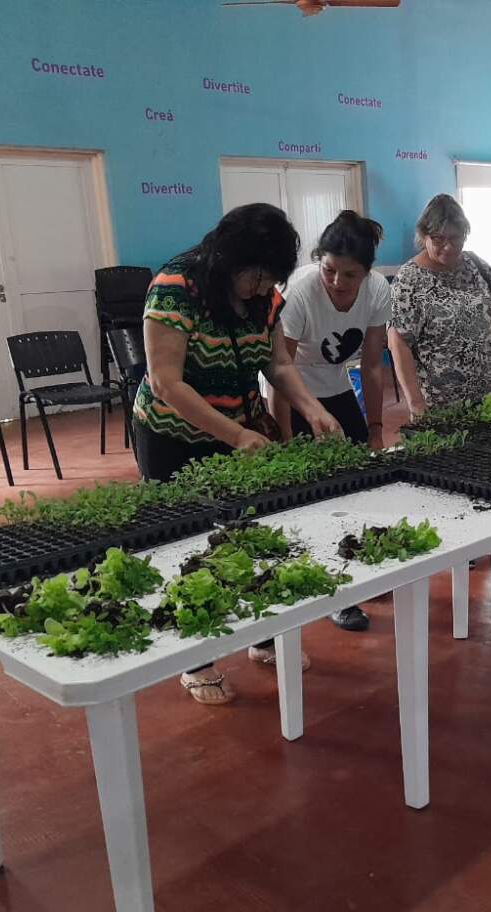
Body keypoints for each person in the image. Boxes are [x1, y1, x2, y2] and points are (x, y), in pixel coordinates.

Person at [134, 202, 341, 705]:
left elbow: (277, 363)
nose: (261, 288)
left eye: (270, 279)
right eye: (256, 276)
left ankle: (263, 634)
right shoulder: (175, 288)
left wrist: (312, 409)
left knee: (253, 535)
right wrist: (235, 435)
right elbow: (166, 383)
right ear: (229, 258)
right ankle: (196, 661)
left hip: (242, 430)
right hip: (173, 436)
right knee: (189, 547)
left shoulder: (265, 297)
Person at [271, 209, 390, 630]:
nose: (338, 282)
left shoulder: (377, 291)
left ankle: (359, 568)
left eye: (350, 274)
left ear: (367, 272)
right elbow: (280, 368)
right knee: (312, 496)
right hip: (294, 392)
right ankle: (332, 592)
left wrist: (375, 430)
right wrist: (285, 438)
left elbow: (372, 366)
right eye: (329, 270)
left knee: (358, 484)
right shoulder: (300, 291)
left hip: (337, 390)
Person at [388, 194, 491, 416]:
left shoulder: (476, 265)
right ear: (424, 236)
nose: (448, 247)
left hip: (488, 398)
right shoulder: (409, 280)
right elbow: (398, 342)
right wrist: (416, 403)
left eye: (456, 238)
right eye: (438, 239)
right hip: (438, 406)